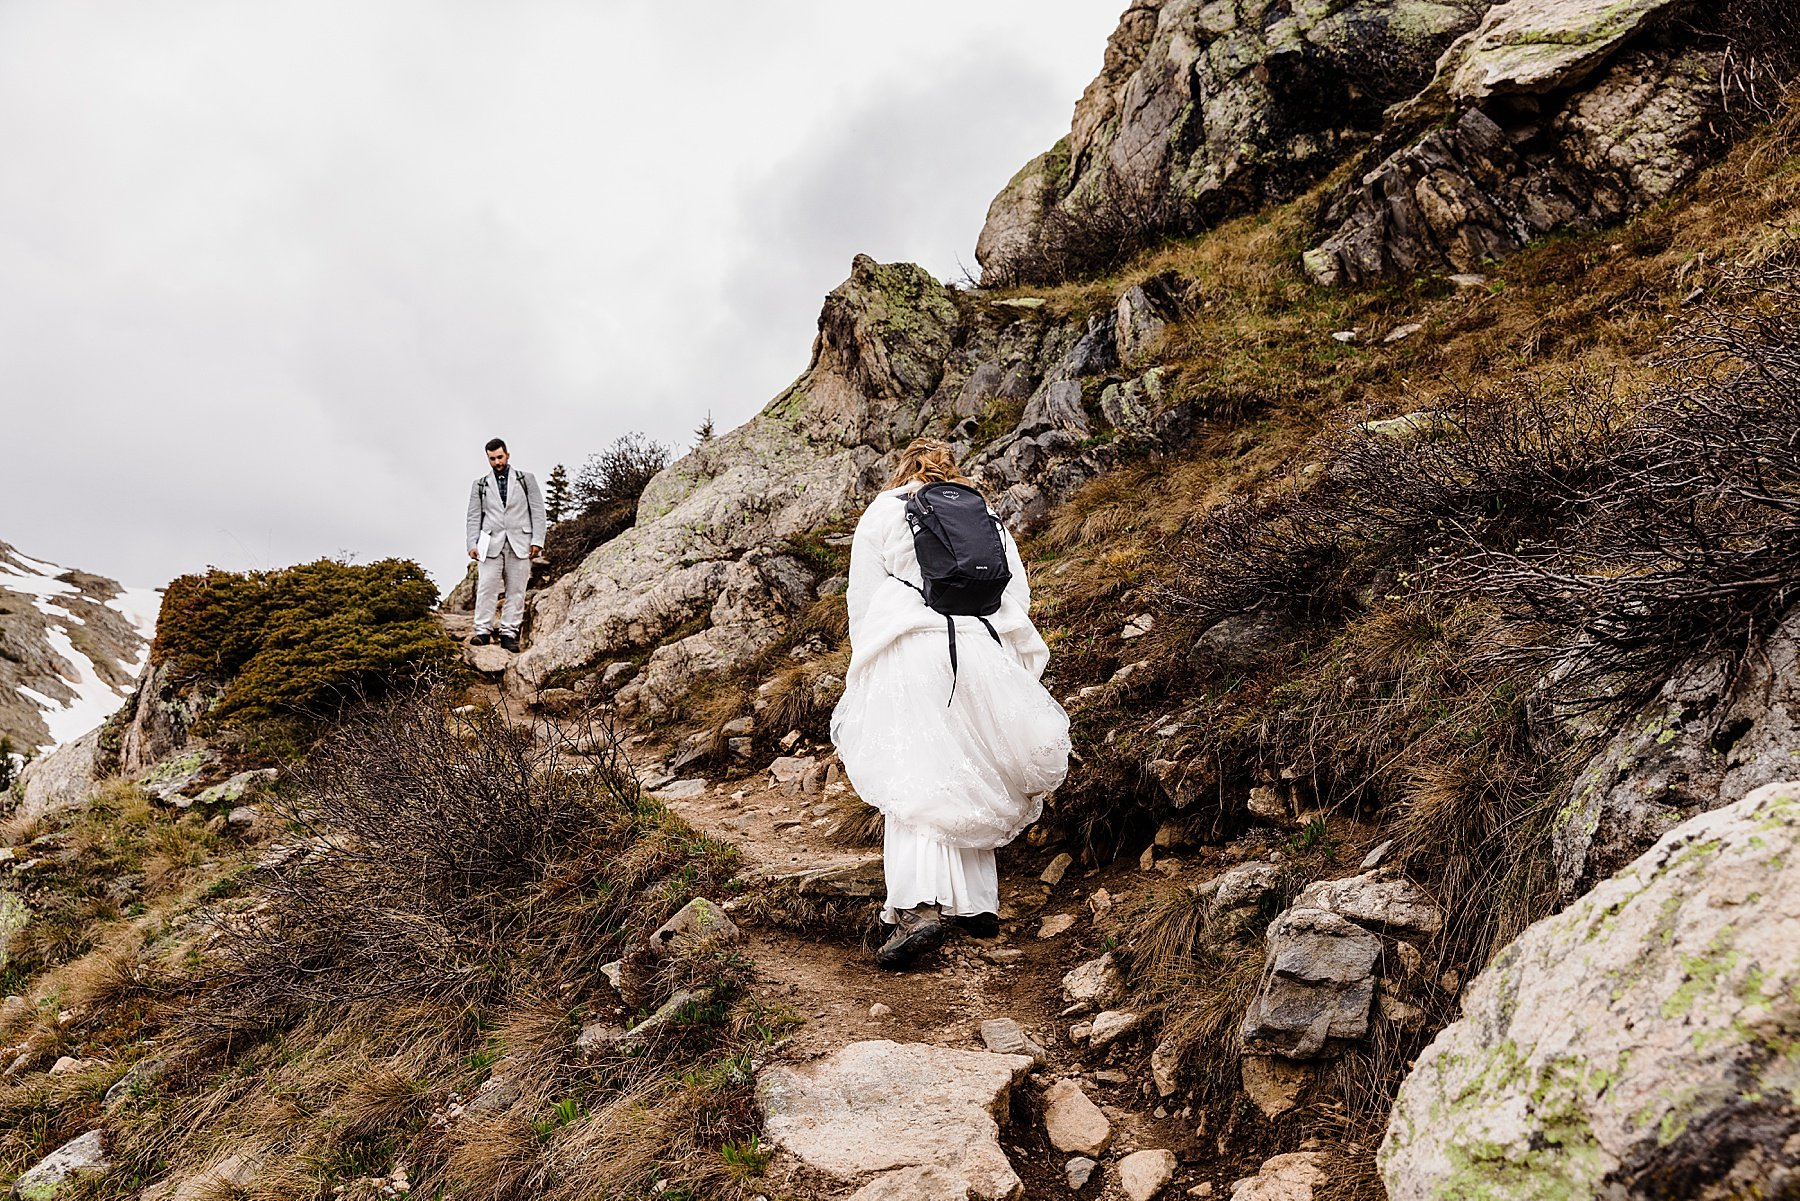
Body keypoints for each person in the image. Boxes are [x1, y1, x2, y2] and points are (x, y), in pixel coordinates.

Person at [831, 437, 1071, 969]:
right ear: (948, 469)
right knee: (968, 766)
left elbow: (864, 599)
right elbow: (1015, 592)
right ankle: (977, 905)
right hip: (979, 648)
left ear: (903, 469)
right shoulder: (981, 511)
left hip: (912, 652)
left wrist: (865, 663)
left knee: (915, 771)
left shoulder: (884, 512)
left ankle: (919, 906)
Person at [464, 438, 545, 653]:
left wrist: (537, 540)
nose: (497, 462)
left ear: (507, 455)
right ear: (488, 459)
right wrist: (471, 543)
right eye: (492, 459)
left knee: (516, 590)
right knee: (487, 586)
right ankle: (482, 631)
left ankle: (509, 633)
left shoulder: (526, 479)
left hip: (521, 541)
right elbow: (474, 516)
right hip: (489, 543)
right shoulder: (480, 485)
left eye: (500, 457)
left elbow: (537, 511)